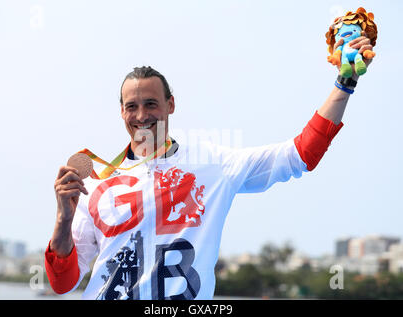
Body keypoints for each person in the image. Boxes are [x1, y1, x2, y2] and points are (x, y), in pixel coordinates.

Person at [45, 35, 374, 299]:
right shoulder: (97, 184)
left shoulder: (214, 165)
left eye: (151, 104)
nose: (142, 115)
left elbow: (300, 154)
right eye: (132, 106)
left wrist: (344, 83)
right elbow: (63, 283)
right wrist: (64, 218)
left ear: (171, 105)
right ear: (121, 112)